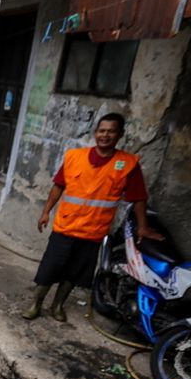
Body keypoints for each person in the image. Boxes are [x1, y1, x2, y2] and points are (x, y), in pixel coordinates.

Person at [23, 112, 162, 322]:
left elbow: (139, 198)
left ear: (120, 134)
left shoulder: (127, 164)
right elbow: (58, 186)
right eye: (101, 131)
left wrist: (143, 226)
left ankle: (57, 306)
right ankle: (36, 304)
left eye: (111, 131)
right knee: (50, 268)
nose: (105, 135)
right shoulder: (74, 157)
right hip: (65, 227)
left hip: (93, 232)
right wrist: (46, 212)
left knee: (75, 273)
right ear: (95, 133)